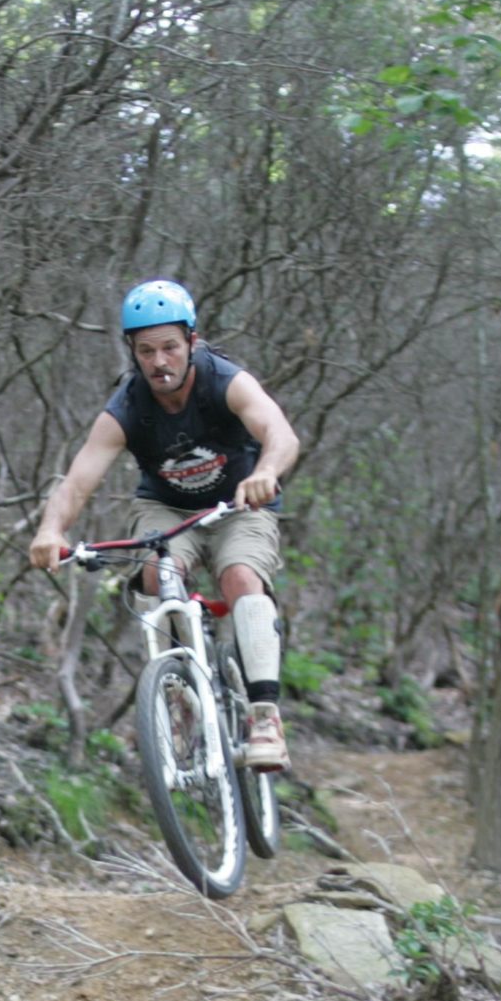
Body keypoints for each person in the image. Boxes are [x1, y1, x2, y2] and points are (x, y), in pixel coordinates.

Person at [27, 279, 301, 770]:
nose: (160, 362)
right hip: (167, 509)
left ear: (192, 342)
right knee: (158, 575)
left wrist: (265, 472)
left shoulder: (225, 381)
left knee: (239, 575)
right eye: (147, 351)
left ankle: (264, 716)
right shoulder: (128, 407)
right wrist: (51, 529)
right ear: (133, 352)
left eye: (170, 347)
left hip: (239, 502)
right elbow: (77, 481)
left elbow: (279, 433)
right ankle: (180, 696)